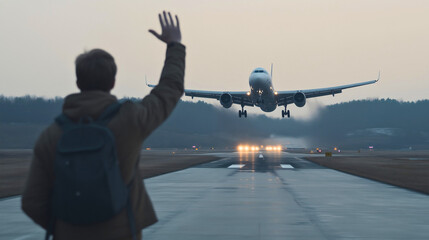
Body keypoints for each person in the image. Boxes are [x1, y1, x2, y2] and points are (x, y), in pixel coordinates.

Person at [21, 11, 185, 240]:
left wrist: (65, 226)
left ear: (77, 81)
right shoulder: (130, 120)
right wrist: (175, 46)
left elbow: (31, 202)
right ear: (113, 82)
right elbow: (169, 90)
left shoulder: (51, 135)